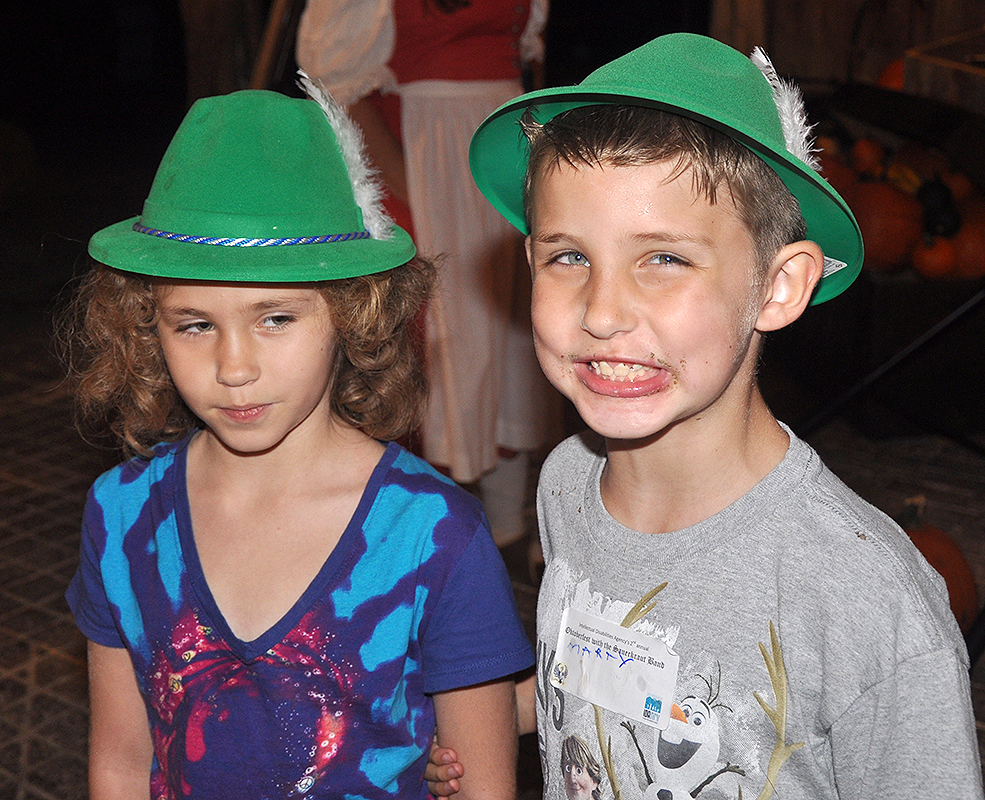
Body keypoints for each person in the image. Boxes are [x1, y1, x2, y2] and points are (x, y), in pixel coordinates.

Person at [425, 32, 984, 799]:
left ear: (779, 287)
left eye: (664, 259)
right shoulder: (566, 483)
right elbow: (615, 676)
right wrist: (490, 718)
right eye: (569, 256)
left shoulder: (865, 599)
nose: (602, 311)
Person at [61, 82, 535, 799]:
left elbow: (482, 783)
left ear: (354, 314)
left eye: (275, 318)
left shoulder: (434, 538)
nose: (235, 367)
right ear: (145, 328)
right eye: (194, 324)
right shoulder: (123, 517)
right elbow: (124, 763)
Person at [296, 0, 562, 546]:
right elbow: (338, 88)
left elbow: (523, 54)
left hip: (505, 147)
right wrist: (404, 185)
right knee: (446, 333)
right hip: (427, 149)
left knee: (511, 331)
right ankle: (426, 532)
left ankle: (508, 530)